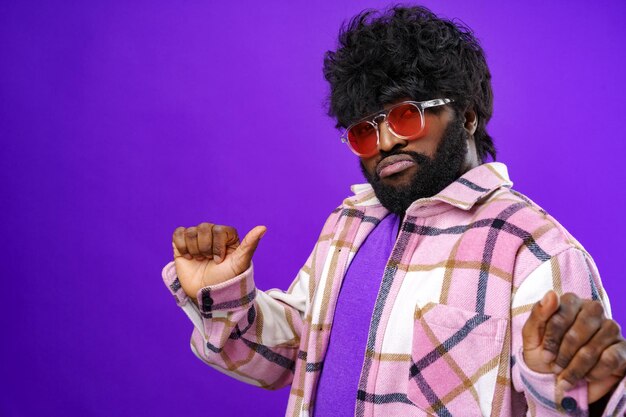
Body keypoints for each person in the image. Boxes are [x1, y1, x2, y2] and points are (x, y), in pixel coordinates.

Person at [161, 5, 626, 416]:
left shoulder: (538, 254)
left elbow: (574, 394)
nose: (385, 142)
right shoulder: (348, 225)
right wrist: (221, 296)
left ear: (466, 115)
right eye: (365, 131)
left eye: (406, 115)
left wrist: (583, 395)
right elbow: (286, 358)